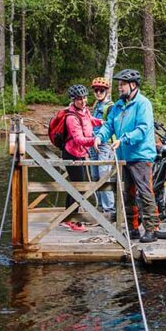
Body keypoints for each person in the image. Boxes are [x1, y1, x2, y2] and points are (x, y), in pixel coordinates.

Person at [94, 69, 160, 243]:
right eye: (119, 85)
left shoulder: (142, 104)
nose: (120, 88)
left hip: (141, 156)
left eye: (122, 85)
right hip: (125, 156)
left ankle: (152, 230)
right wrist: (100, 137)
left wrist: (123, 140)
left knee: (145, 193)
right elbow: (109, 125)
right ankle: (133, 229)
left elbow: (143, 129)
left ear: (133, 85)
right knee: (127, 194)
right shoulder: (118, 105)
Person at [61, 84, 97, 232]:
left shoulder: (85, 110)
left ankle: (67, 218)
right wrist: (94, 141)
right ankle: (74, 221)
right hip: (71, 153)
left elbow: (90, 121)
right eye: (79, 99)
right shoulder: (71, 117)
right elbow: (78, 139)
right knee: (79, 187)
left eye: (84, 98)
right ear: (73, 100)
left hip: (81, 153)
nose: (83, 101)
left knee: (75, 186)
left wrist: (104, 123)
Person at [88, 77, 115, 218]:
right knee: (95, 176)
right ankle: (100, 207)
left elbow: (110, 127)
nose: (98, 93)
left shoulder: (110, 106)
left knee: (104, 176)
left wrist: (100, 139)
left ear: (107, 91)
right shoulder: (95, 105)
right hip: (92, 143)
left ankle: (109, 210)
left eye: (101, 90)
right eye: (96, 90)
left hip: (104, 145)